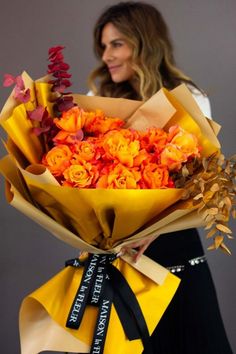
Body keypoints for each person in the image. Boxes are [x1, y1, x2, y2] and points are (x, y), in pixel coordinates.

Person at [88, 2, 233, 353]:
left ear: (145, 43)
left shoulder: (189, 98)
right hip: (117, 250)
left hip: (174, 248)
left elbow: (202, 182)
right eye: (104, 46)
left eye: (117, 44)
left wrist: (154, 228)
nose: (106, 55)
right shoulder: (96, 97)